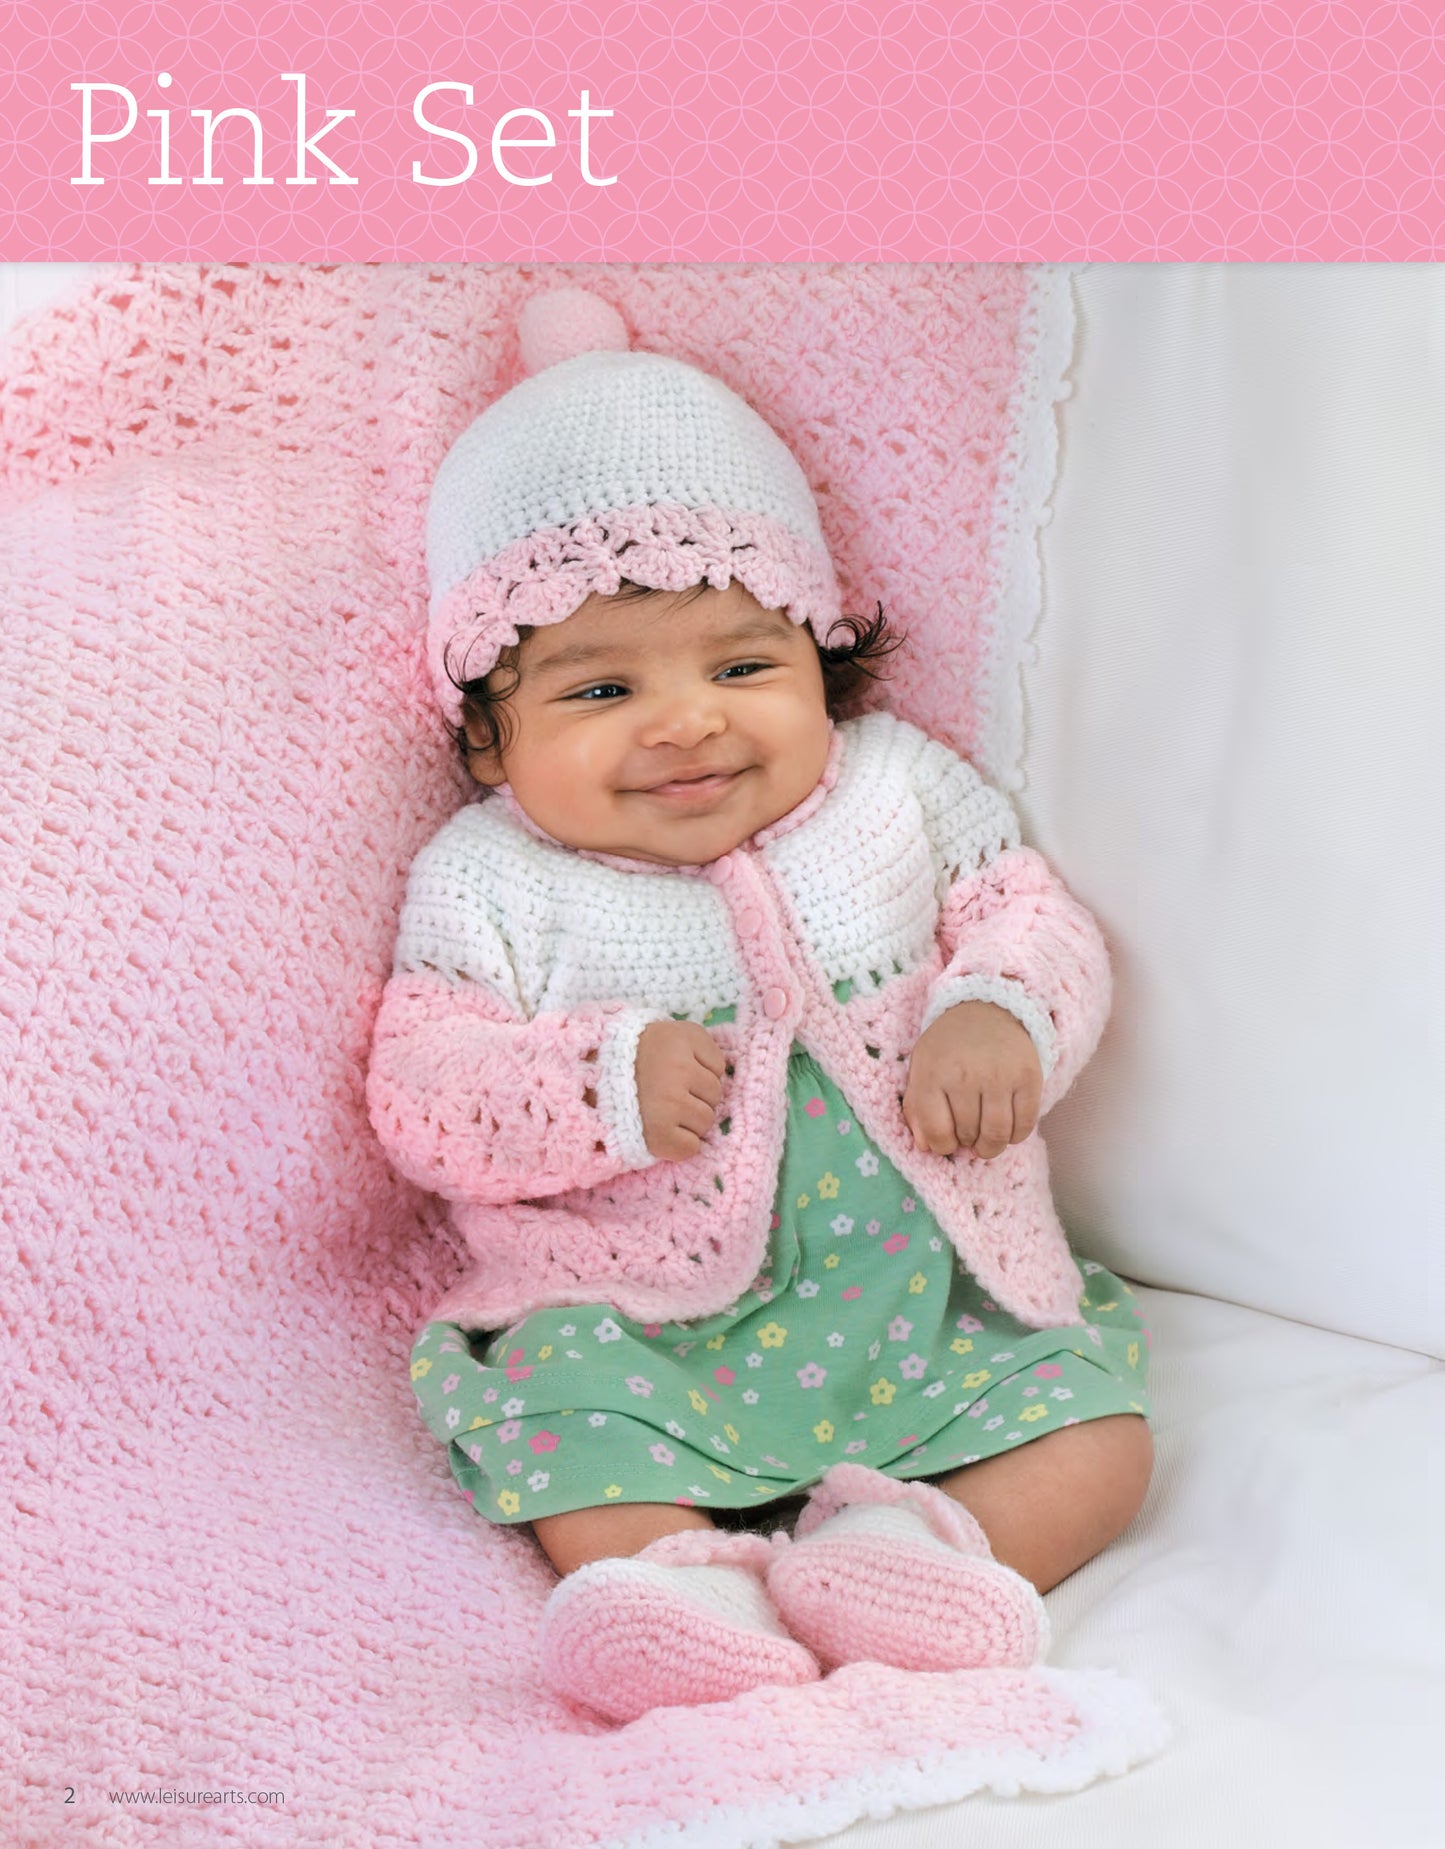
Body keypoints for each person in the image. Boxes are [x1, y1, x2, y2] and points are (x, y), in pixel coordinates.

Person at [366, 286, 1153, 1725]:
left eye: (742, 665)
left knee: (1096, 1438)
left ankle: (899, 1556)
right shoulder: (488, 877)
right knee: (576, 1441)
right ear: (486, 732)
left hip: (924, 1290)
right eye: (602, 686)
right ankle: (681, 1588)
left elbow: (1027, 915)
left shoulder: (896, 788)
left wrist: (1000, 1012)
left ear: (820, 661)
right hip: (634, 1314)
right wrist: (598, 1080)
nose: (687, 720)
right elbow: (423, 1087)